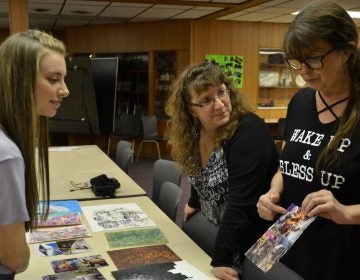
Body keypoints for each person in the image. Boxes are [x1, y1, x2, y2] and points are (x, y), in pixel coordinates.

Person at [256, 2, 360, 279]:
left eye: (314, 58)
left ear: (347, 50)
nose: (303, 71)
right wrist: (271, 193)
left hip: (340, 254)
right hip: (286, 235)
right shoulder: (300, 101)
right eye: (296, 60)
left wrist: (347, 212)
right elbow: (286, 166)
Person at [165, 62, 279, 280]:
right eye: (206, 100)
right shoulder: (195, 133)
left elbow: (241, 203)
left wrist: (221, 259)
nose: (219, 104)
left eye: (221, 93)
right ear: (191, 109)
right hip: (230, 235)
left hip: (262, 242)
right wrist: (194, 201)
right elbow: (201, 174)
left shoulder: (248, 131)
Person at [0, 30, 69, 278]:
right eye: (54, 79)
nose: (65, 90)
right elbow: (15, 259)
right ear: (19, 81)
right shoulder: (7, 154)